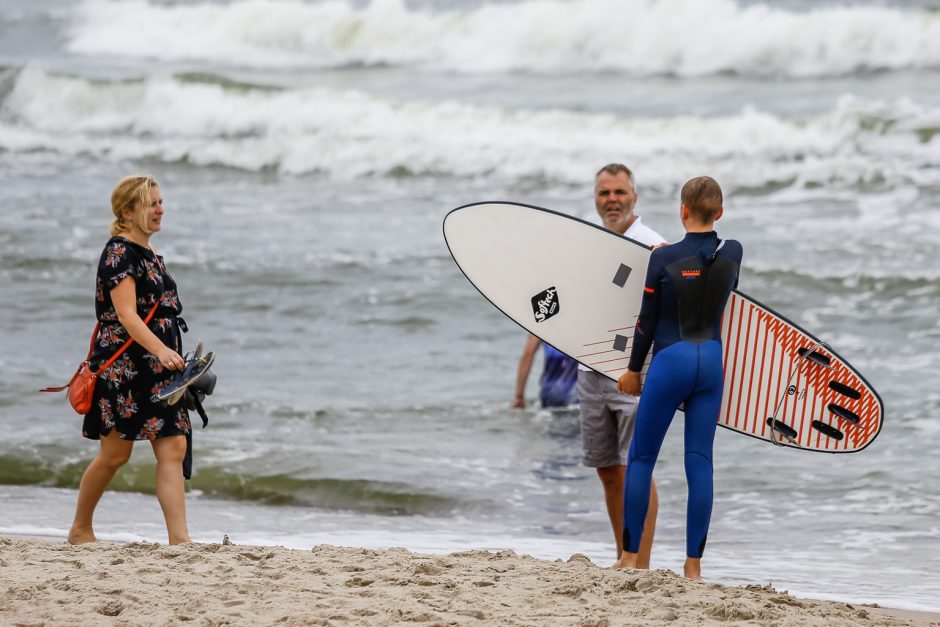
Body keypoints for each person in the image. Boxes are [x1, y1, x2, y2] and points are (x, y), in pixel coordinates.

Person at [614, 176, 743, 580]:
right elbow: (717, 253)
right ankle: (693, 567)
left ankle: (630, 558)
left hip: (671, 362)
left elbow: (646, 322)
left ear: (681, 211)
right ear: (720, 213)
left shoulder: (662, 258)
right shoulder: (734, 252)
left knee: (641, 459)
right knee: (700, 462)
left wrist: (633, 370)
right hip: (711, 365)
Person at [68, 175, 193, 546]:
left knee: (173, 447)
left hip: (159, 368)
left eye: (160, 201)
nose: (160, 209)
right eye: (151, 203)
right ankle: (80, 528)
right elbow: (126, 315)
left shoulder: (151, 255)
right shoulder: (119, 253)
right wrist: (161, 349)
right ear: (127, 211)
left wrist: (169, 356)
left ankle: (180, 540)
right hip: (124, 368)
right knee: (114, 455)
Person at [579, 163, 665, 567]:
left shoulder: (653, 246)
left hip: (636, 373)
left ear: (634, 195)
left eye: (619, 192)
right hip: (589, 370)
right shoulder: (585, 241)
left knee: (637, 469)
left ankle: (640, 563)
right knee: (608, 470)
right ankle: (622, 556)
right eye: (603, 193)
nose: (611, 200)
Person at [512, 335, 579, 408]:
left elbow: (528, 354)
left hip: (550, 392)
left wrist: (519, 397)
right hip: (578, 392)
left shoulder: (541, 324)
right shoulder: (584, 324)